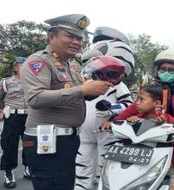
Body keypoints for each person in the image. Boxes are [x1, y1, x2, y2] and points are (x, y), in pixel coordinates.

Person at [20, 14, 113, 190]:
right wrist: (83, 90)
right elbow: (36, 98)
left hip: (66, 140)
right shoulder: (38, 61)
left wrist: (92, 92)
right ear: (51, 36)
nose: (77, 42)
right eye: (70, 36)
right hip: (47, 140)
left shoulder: (71, 65)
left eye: (80, 38)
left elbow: (72, 95)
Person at [103, 49, 174, 189]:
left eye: (171, 70)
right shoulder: (150, 92)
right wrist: (113, 123)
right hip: (146, 143)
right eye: (163, 69)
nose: (166, 72)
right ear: (157, 70)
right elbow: (132, 109)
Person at [75, 27, 134, 190]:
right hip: (84, 132)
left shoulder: (118, 85)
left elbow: (129, 106)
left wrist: (110, 108)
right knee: (82, 166)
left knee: (106, 167)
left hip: (107, 133)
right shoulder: (84, 84)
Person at [123, 83, 174, 190]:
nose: (137, 103)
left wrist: (166, 128)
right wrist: (130, 124)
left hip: (164, 161)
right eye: (137, 99)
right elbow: (127, 141)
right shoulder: (137, 119)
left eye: (141, 99)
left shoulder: (170, 121)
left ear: (156, 103)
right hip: (140, 159)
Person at [0, 57, 30, 188]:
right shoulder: (6, 82)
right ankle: (8, 173)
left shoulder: (32, 81)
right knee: (9, 145)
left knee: (29, 143)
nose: (24, 67)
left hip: (29, 116)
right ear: (15, 67)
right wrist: (4, 110)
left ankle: (28, 168)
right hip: (13, 117)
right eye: (21, 65)